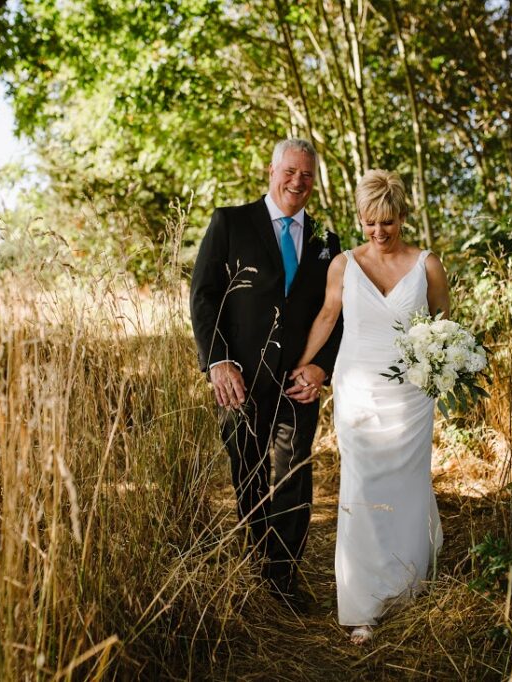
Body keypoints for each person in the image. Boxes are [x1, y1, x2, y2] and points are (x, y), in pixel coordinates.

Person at [291, 169, 449, 643]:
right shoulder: (343, 264)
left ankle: (406, 588)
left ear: (402, 216)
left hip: (411, 395)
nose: (378, 233)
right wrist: (301, 365)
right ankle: (362, 604)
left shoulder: (427, 264)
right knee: (360, 486)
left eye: (388, 223)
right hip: (357, 386)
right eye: (368, 224)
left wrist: (440, 367)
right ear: (359, 219)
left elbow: (442, 321)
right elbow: (327, 316)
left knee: (406, 486)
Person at [189, 138, 343, 609]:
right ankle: (255, 569)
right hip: (240, 380)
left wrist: (322, 366)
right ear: (271, 171)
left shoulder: (326, 242)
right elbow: (204, 296)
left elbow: (336, 313)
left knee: (294, 474)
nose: (298, 181)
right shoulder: (229, 223)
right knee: (248, 473)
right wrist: (217, 362)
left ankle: (283, 581)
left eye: (308, 175)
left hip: (299, 383)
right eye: (290, 171)